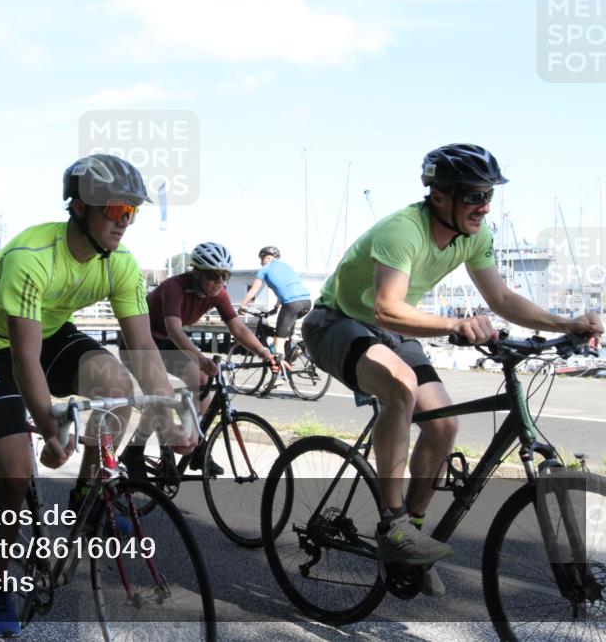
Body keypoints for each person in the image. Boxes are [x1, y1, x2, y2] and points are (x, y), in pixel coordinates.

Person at [301, 143, 603, 597]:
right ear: (439, 195)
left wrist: (567, 323)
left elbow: (502, 300)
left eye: (489, 196)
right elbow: (385, 309)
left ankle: (414, 539)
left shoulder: (474, 235)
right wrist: (454, 324)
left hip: (394, 328)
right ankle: (393, 525)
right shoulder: (403, 232)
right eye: (474, 196)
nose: (483, 206)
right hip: (336, 321)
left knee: (443, 426)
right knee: (400, 387)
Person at [0, 153, 198, 637]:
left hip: (48, 334)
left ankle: (88, 497)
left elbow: (142, 345)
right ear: (79, 207)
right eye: (115, 210)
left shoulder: (120, 265)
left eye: (132, 213)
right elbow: (24, 359)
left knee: (116, 386)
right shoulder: (32, 257)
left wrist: (167, 414)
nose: (124, 223)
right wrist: (50, 427)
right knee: (16, 474)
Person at [119, 241, 277, 475]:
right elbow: (174, 329)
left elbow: (238, 329)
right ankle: (134, 450)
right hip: (139, 343)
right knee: (162, 394)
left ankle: (196, 447)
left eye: (225, 276)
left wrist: (265, 352)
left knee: (204, 382)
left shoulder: (217, 293)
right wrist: (200, 357)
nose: (220, 282)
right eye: (214, 276)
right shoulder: (175, 287)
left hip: (166, 343)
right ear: (197, 272)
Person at [238, 246, 312, 386]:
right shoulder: (287, 267)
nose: (261, 263)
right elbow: (286, 287)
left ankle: (279, 377)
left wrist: (243, 305)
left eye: (261, 260)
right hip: (306, 302)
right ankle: (293, 350)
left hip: (291, 304)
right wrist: (276, 307)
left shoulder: (264, 270)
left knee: (278, 339)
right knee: (285, 335)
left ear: (266, 257)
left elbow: (254, 289)